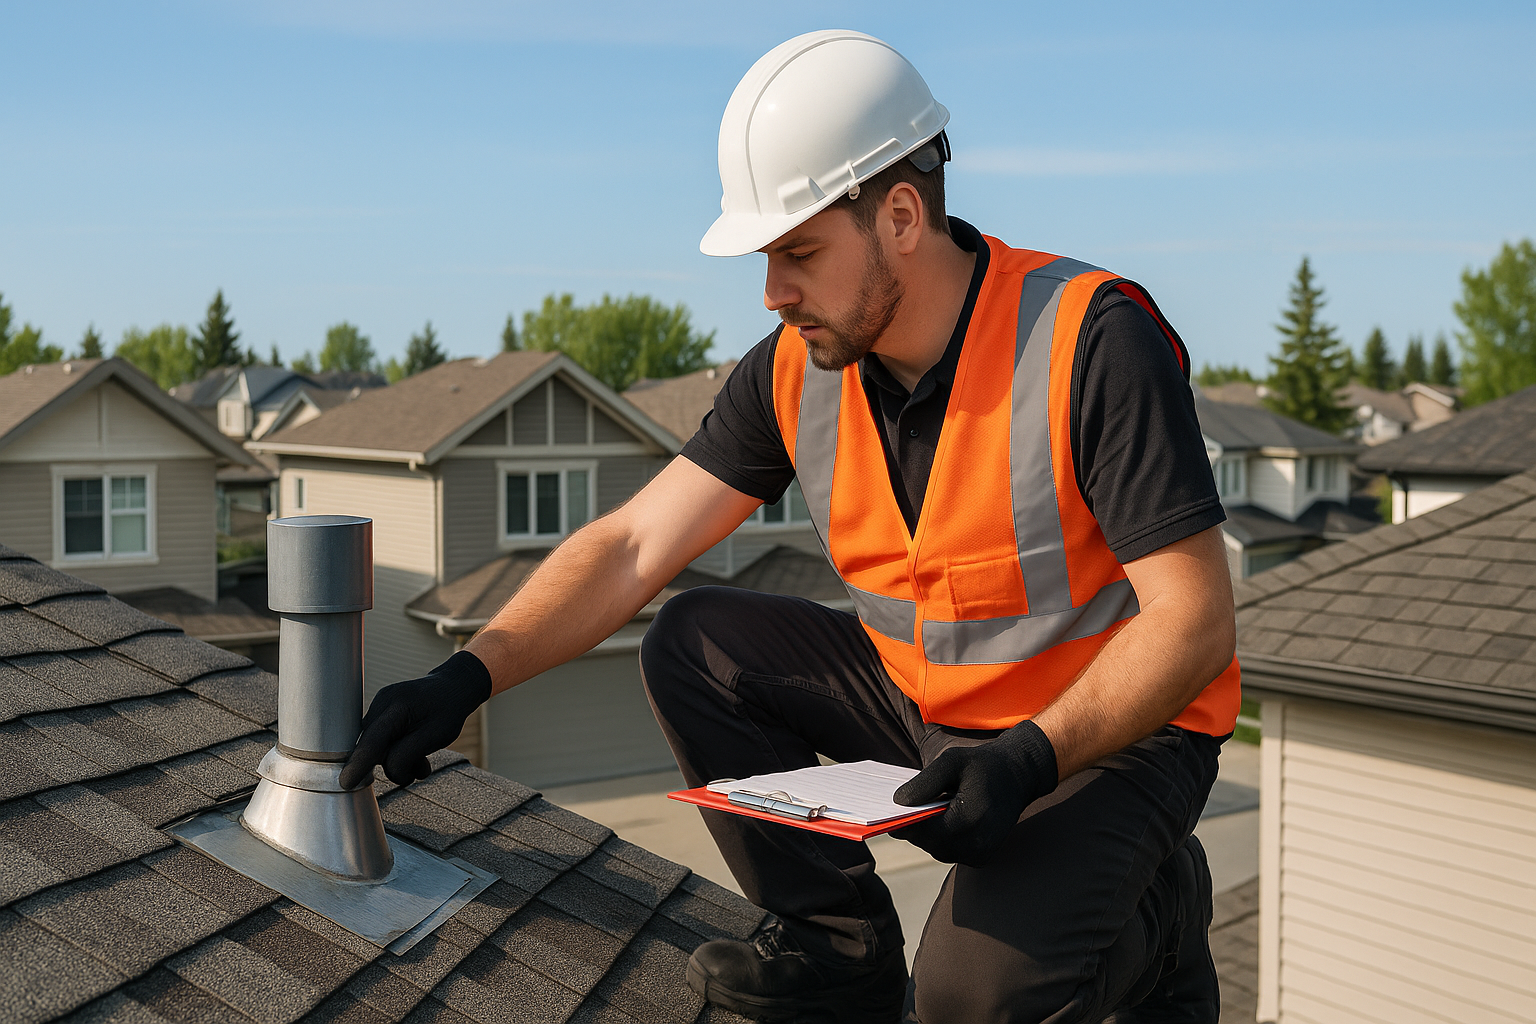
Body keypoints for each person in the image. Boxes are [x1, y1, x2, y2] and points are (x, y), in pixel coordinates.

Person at [341, 30, 1240, 1024]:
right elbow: (635, 546)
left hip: (1110, 739)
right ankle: (836, 942)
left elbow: (1193, 623)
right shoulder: (795, 370)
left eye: (799, 253)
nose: (773, 292)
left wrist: (1032, 759)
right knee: (694, 641)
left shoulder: (1088, 339)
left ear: (901, 214)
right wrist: (468, 674)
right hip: (934, 710)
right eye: (769, 257)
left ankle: (1159, 900)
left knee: (965, 1005)